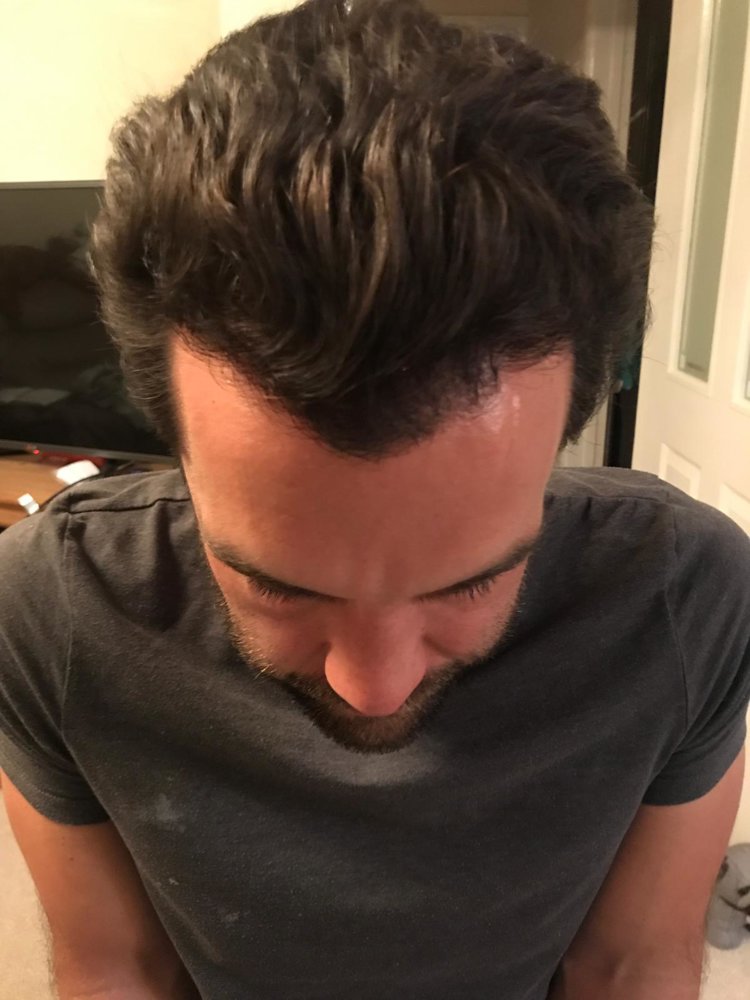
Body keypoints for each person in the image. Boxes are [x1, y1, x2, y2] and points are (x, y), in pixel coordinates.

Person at [1, 1, 748, 998]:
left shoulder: (685, 595)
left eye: (469, 583)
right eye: (279, 587)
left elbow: (634, 965)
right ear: (173, 452)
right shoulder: (53, 609)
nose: (375, 689)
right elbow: (116, 968)